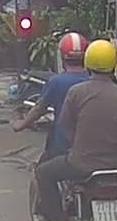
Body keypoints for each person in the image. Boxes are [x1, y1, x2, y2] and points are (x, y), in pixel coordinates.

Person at [33, 39, 117, 221]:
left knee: (43, 172)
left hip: (81, 163)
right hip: (116, 165)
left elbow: (65, 124)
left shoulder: (77, 92)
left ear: (88, 63)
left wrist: (76, 143)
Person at [13, 32, 89, 161]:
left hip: (63, 145)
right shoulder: (95, 81)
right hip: (91, 147)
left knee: (42, 170)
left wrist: (21, 124)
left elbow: (39, 109)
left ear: (62, 56)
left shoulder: (56, 82)